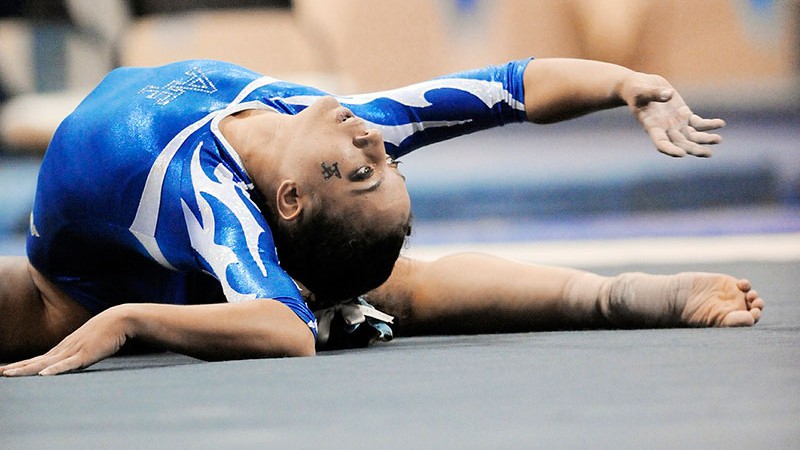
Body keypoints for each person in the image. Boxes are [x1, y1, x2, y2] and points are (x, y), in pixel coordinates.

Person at [0, 56, 763, 376]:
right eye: (384, 166)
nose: (372, 145)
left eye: (365, 171)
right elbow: (509, 87)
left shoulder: (206, 193)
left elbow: (282, 329)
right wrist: (627, 84)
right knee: (391, 285)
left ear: (291, 202)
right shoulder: (347, 126)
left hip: (77, 293)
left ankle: (610, 296)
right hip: (218, 272)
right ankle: (611, 295)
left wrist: (126, 319)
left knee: (383, 288)